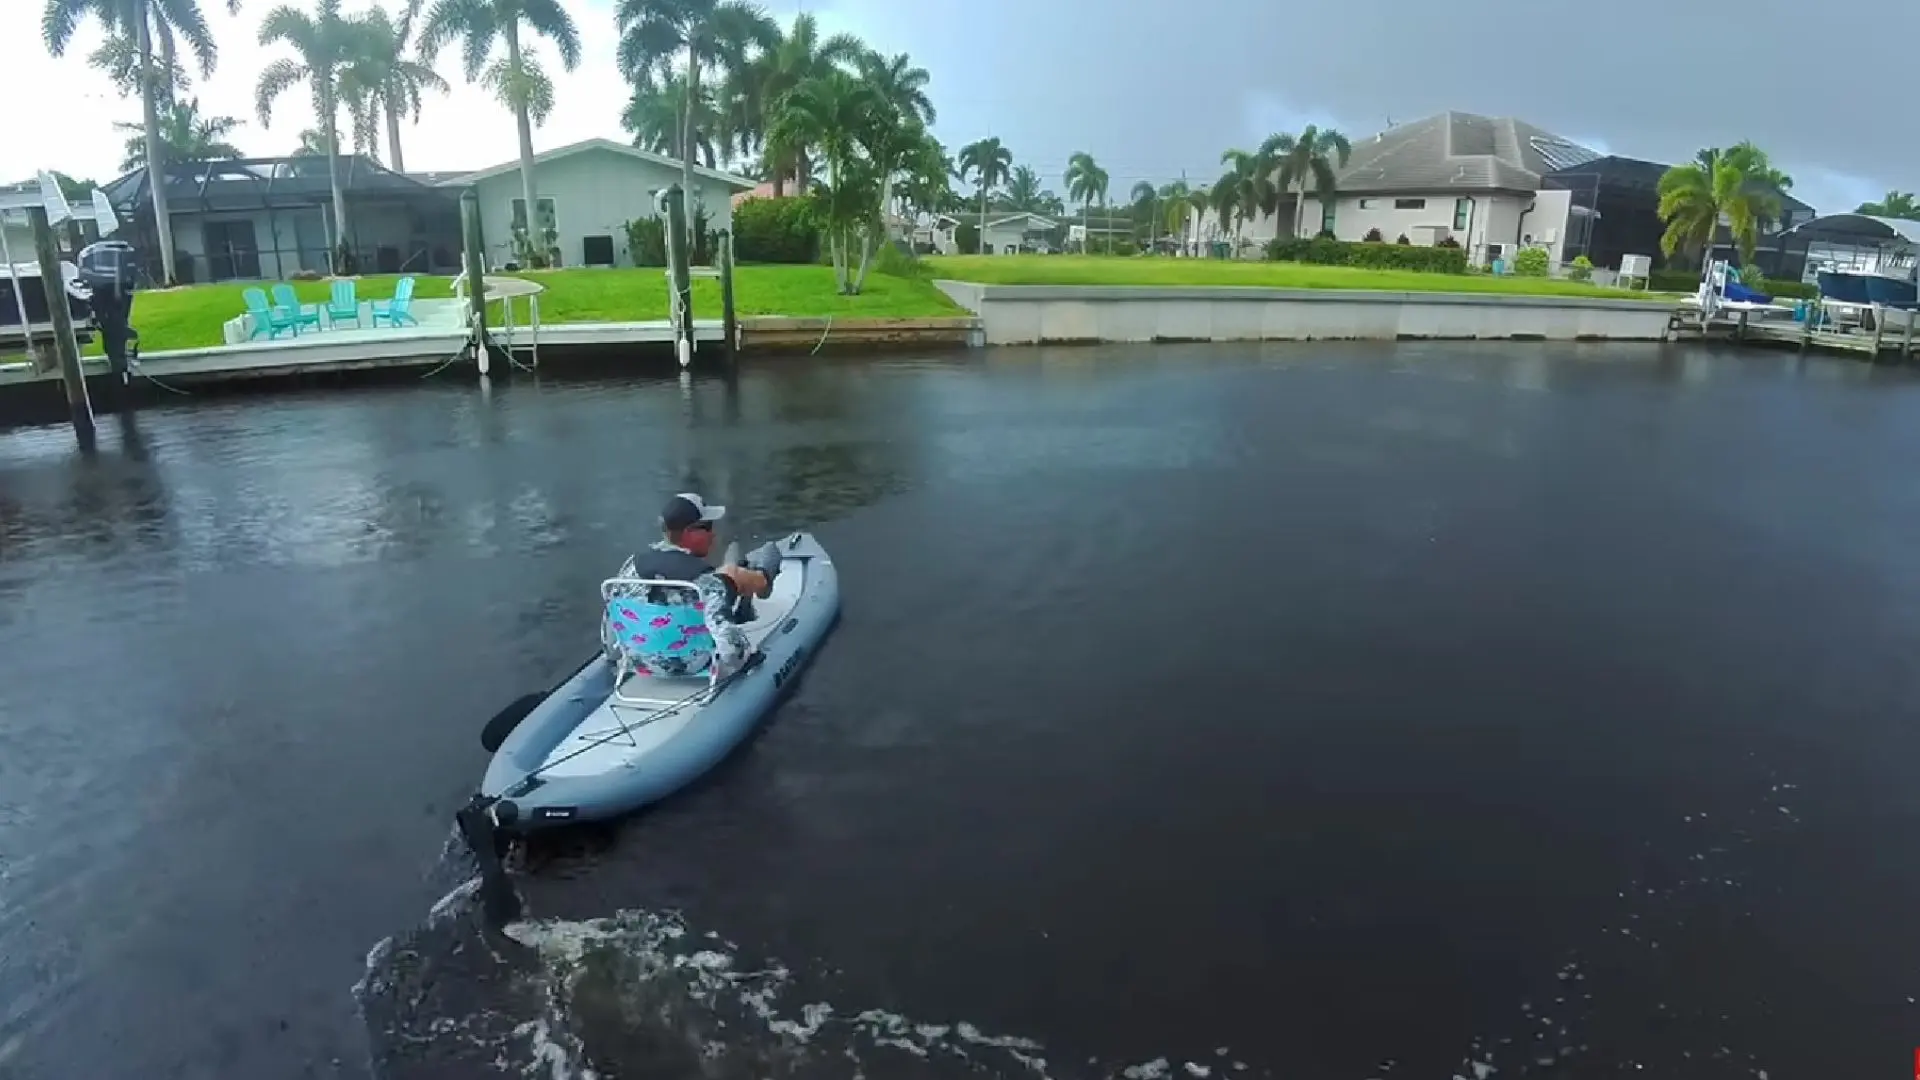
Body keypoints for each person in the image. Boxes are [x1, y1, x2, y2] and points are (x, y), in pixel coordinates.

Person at [603, 493, 778, 679]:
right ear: (689, 533)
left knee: (727, 576)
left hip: (639, 662)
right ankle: (759, 580)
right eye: (708, 527)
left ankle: (746, 589)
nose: (713, 534)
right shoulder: (706, 582)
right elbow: (731, 652)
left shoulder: (631, 566)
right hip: (694, 666)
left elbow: (611, 626)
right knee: (729, 576)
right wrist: (747, 656)